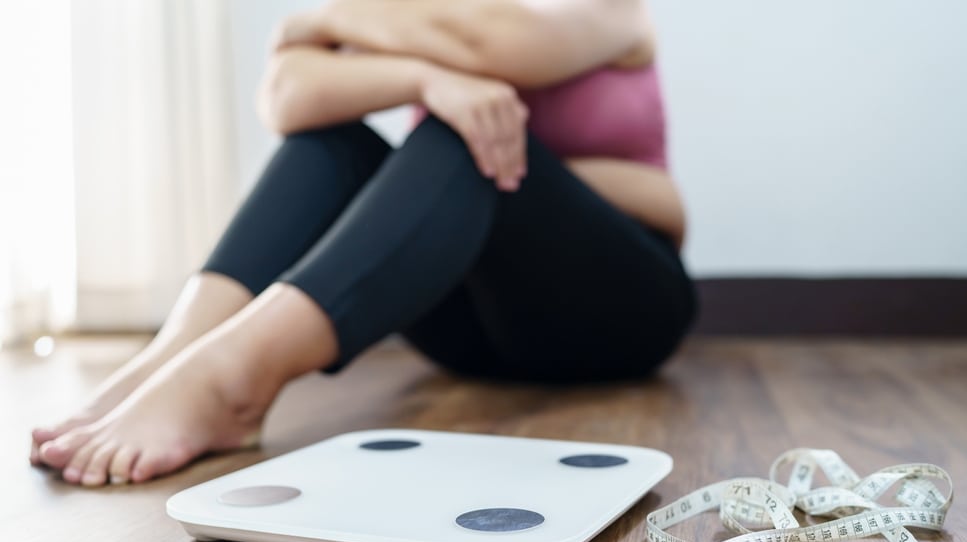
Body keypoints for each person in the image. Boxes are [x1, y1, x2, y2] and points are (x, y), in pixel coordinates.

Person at [30, 0, 696, 486]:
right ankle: (173, 356)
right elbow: (287, 96)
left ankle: (231, 381)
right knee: (330, 142)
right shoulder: (411, 17)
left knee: (466, 138)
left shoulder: (612, 10)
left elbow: (482, 42)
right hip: (467, 328)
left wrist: (319, 21)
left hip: (619, 312)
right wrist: (425, 80)